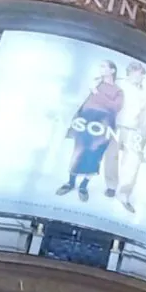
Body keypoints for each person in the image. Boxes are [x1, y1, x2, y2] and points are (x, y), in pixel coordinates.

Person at [58, 61, 124, 200]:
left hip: (104, 123)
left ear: (112, 70)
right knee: (79, 150)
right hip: (86, 118)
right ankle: (70, 182)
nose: (101, 69)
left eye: (104, 66)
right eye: (100, 66)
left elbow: (115, 107)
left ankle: (83, 186)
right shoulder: (94, 82)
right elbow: (82, 100)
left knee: (95, 155)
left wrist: (97, 93)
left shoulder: (117, 91)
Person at [102, 61, 146, 213]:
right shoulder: (119, 84)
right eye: (139, 73)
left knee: (133, 163)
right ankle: (111, 186)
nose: (142, 77)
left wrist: (143, 138)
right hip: (115, 125)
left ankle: (124, 195)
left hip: (134, 130)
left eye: (143, 74)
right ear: (131, 72)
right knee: (111, 156)